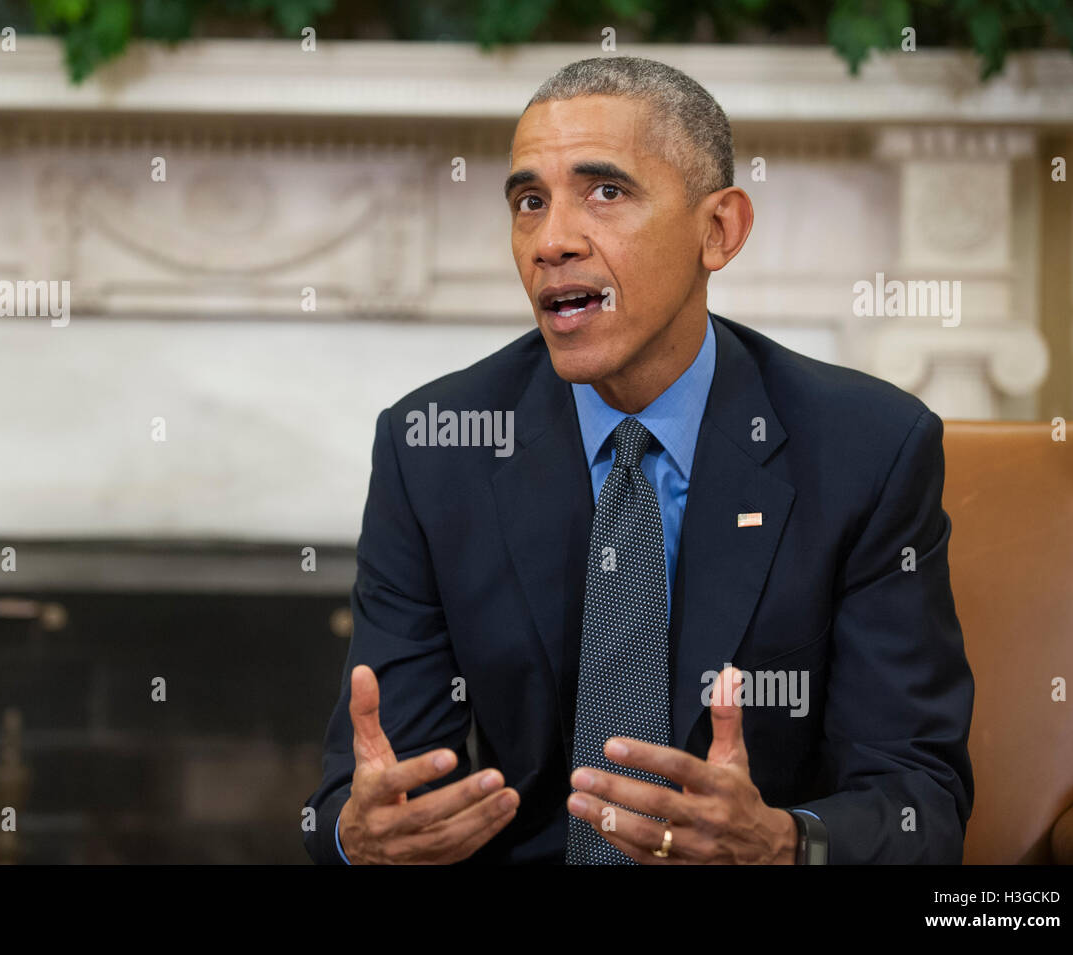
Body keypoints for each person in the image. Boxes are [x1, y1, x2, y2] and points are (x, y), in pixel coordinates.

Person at [304, 56, 974, 865]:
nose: (551, 241)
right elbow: (371, 793)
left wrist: (785, 844)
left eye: (606, 192)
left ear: (718, 230)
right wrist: (356, 836)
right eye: (528, 201)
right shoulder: (435, 449)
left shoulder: (868, 449)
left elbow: (919, 798)